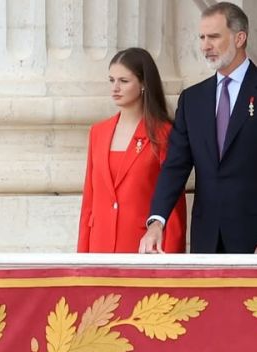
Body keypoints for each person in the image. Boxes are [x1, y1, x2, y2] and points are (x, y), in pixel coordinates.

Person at [139, 2, 257, 254]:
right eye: (202, 37)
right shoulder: (192, 99)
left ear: (240, 38)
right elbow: (175, 166)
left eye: (214, 36)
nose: (205, 45)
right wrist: (156, 221)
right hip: (207, 240)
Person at [77, 48, 186, 253]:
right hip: (98, 248)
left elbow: (174, 206)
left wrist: (171, 262)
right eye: (111, 80)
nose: (115, 88)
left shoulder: (163, 133)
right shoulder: (98, 132)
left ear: (144, 83)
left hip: (143, 249)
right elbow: (88, 204)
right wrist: (81, 261)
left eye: (124, 81)